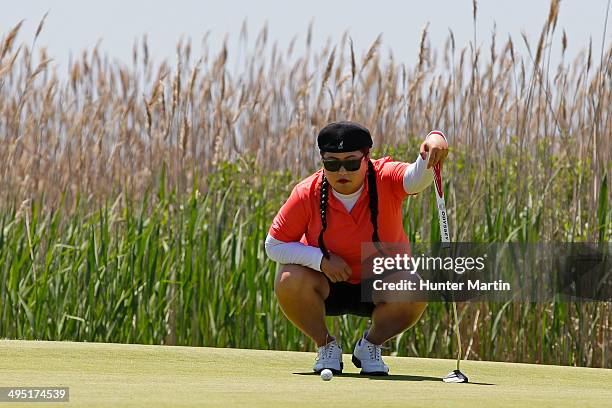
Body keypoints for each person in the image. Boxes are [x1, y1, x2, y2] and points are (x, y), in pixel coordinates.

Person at [264, 121, 448, 375]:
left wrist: (434, 140)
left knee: (415, 288)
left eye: (351, 163)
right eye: (332, 163)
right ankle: (326, 346)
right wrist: (320, 261)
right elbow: (274, 245)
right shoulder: (307, 192)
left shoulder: (385, 175)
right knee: (288, 279)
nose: (342, 171)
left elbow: (417, 178)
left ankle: (369, 346)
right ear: (322, 161)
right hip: (325, 285)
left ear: (367, 157)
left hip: (379, 286)